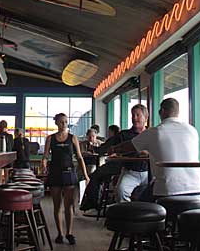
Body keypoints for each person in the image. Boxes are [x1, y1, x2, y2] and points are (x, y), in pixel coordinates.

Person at [111, 98, 200, 200]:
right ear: (177, 112)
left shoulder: (155, 131)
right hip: (198, 191)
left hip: (168, 190)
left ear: (161, 112)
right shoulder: (192, 130)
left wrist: (113, 149)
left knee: (140, 206)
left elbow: (126, 147)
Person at [79, 104, 149, 210]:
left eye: (138, 115)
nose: (134, 118)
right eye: (132, 115)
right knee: (120, 192)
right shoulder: (123, 135)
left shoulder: (151, 134)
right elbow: (106, 148)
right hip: (130, 171)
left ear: (145, 117)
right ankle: (128, 214)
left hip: (150, 172)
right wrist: (96, 149)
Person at [42, 113, 90, 245]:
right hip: (55, 174)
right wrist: (44, 164)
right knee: (57, 206)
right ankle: (60, 233)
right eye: (61, 122)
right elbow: (46, 156)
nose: (64, 124)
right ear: (56, 123)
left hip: (69, 173)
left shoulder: (73, 138)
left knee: (69, 206)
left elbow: (79, 157)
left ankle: (69, 233)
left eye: (65, 122)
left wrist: (86, 175)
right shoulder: (50, 139)